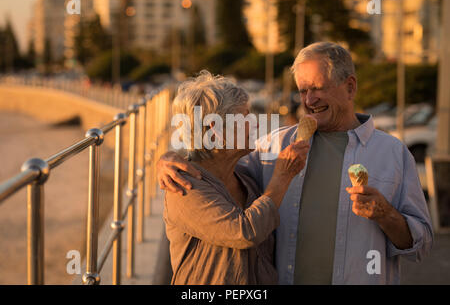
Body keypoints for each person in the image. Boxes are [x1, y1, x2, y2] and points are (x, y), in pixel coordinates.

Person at [157, 42, 433, 285]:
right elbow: (213, 165)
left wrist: (387, 215)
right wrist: (170, 158)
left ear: (350, 87)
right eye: (303, 90)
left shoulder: (393, 154)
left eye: (317, 88)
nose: (309, 100)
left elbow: (421, 246)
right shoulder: (273, 147)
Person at [163, 70, 309, 284]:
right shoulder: (183, 186)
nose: (256, 123)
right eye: (245, 116)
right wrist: (283, 176)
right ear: (216, 129)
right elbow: (244, 233)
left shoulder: (245, 176)